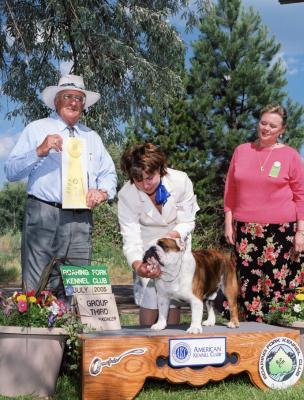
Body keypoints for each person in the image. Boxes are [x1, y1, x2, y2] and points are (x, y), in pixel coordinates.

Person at [5, 74, 117, 297]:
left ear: (83, 105)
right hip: (43, 212)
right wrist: (39, 150)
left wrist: (102, 191)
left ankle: (73, 330)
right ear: (56, 101)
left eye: (79, 98)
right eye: (68, 96)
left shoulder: (92, 136)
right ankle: (33, 329)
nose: (73, 102)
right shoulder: (37, 129)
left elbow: (109, 174)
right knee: (37, 284)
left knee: (78, 284)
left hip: (81, 217)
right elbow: (10, 171)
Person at [224, 104, 304, 322]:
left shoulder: (290, 155)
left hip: (281, 231)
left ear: (282, 130)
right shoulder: (241, 151)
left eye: (273, 125)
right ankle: (252, 334)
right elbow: (230, 190)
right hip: (245, 229)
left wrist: (301, 231)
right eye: (263, 123)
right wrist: (228, 222)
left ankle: (280, 333)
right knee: (247, 285)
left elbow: (301, 195)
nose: (266, 128)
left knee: (278, 286)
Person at [118, 143, 199, 326]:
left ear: (160, 170)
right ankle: (145, 345)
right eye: (138, 180)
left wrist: (172, 237)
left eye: (149, 178)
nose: (145, 185)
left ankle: (171, 348)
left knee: (173, 299)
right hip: (148, 246)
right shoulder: (126, 195)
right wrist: (139, 266)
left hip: (176, 244)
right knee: (149, 296)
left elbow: (188, 221)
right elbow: (130, 238)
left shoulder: (181, 181)